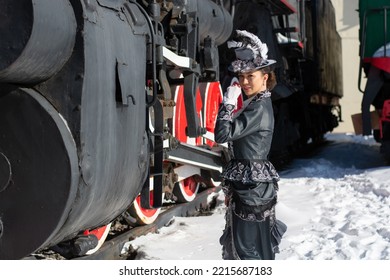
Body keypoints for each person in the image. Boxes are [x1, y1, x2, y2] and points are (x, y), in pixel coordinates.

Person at [215, 30, 287, 260]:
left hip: (252, 189)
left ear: (265, 77)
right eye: (241, 76)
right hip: (250, 187)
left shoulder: (258, 108)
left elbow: (222, 133)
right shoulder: (256, 103)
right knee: (248, 245)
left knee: (248, 249)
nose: (244, 81)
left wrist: (227, 102)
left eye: (250, 76)